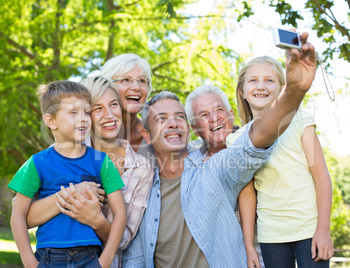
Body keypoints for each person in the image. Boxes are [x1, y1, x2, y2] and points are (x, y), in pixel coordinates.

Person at [122, 31, 318, 267]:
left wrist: (293, 91)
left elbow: (256, 139)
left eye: (178, 117)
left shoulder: (212, 168)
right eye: (161, 119)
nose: (173, 123)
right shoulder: (140, 186)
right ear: (147, 134)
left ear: (187, 127)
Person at [25, 76, 154, 267]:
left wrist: (95, 219)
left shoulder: (141, 167)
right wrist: (75, 192)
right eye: (97, 109)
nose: (109, 115)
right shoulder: (59, 155)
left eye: (113, 105)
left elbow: (125, 239)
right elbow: (25, 217)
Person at [228, 56, 334, 268]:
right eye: (253, 81)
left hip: (309, 229)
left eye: (269, 80)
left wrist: (323, 229)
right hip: (271, 235)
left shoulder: (299, 119)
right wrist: (249, 246)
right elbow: (247, 195)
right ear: (242, 91)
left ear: (282, 88)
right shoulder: (236, 139)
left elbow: (322, 176)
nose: (261, 86)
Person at [8, 81, 127, 267]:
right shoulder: (37, 163)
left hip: (90, 256)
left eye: (87, 112)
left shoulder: (102, 161)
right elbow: (18, 215)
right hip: (49, 257)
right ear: (51, 121)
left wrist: (105, 260)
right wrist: (29, 261)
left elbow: (120, 213)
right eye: (73, 112)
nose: (83, 119)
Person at [185, 84, 264, 268]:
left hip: (262, 255)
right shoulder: (190, 159)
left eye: (219, 109)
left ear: (231, 114)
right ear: (194, 129)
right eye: (204, 115)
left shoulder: (251, 141)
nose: (214, 118)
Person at [100, 54, 152, 153]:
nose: (136, 87)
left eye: (142, 80)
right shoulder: (86, 132)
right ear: (107, 87)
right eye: (125, 80)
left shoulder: (154, 135)